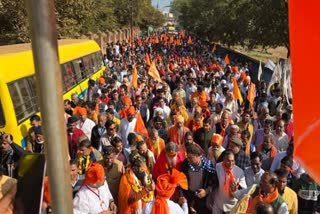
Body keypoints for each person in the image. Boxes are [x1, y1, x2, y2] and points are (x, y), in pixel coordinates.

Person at [181, 143, 216, 213]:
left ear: (198, 156)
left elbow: (215, 182)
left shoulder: (208, 166)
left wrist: (206, 191)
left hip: (202, 198)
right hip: (189, 196)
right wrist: (182, 195)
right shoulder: (185, 164)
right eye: (187, 157)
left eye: (191, 158)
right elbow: (181, 180)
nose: (188, 160)